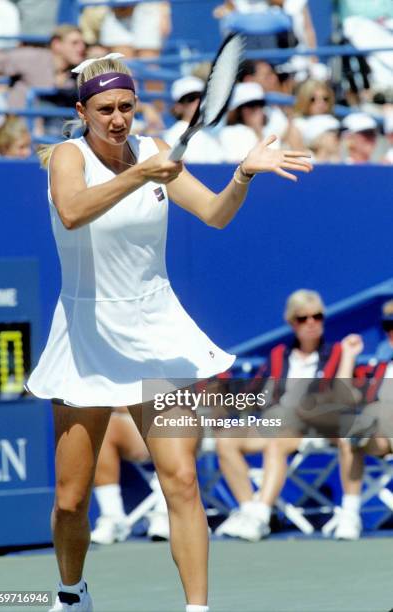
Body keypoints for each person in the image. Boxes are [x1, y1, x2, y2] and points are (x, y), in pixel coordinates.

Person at [25, 52, 312, 611]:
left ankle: (197, 609)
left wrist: (243, 174)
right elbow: (72, 211)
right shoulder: (68, 156)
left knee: (181, 481)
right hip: (85, 336)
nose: (117, 119)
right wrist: (138, 175)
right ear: (83, 112)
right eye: (105, 109)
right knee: (69, 500)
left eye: (127, 107)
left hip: (157, 333)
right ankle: (71, 591)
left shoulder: (156, 151)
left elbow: (215, 213)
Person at [215, 289, 347, 541]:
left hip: (313, 424)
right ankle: (249, 511)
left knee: (278, 438)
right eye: (302, 318)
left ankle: (262, 513)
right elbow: (253, 391)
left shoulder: (338, 353)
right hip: (276, 421)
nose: (310, 323)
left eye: (316, 317)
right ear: (291, 323)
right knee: (226, 439)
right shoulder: (278, 355)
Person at [331, 301, 393, 540]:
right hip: (380, 438)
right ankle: (350, 513)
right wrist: (348, 356)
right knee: (350, 434)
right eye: (388, 326)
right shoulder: (377, 368)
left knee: (375, 412)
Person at [91, 408, 170, 544]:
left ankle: (167, 514)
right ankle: (113, 518)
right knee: (103, 426)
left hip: (191, 425)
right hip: (138, 423)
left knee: (172, 416)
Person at [0, 24, 86, 108]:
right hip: (20, 126)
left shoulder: (79, 73)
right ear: (56, 44)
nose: (81, 48)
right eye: (75, 43)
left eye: (83, 43)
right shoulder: (32, 57)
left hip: (57, 128)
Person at [219, 82, 289, 161]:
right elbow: (236, 164)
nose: (256, 110)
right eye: (250, 105)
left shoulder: (270, 134)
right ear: (238, 110)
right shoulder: (228, 133)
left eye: (259, 105)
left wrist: (258, 131)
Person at [163, 76, 223, 163]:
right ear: (178, 106)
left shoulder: (212, 132)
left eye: (202, 97)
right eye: (191, 99)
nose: (198, 102)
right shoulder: (173, 135)